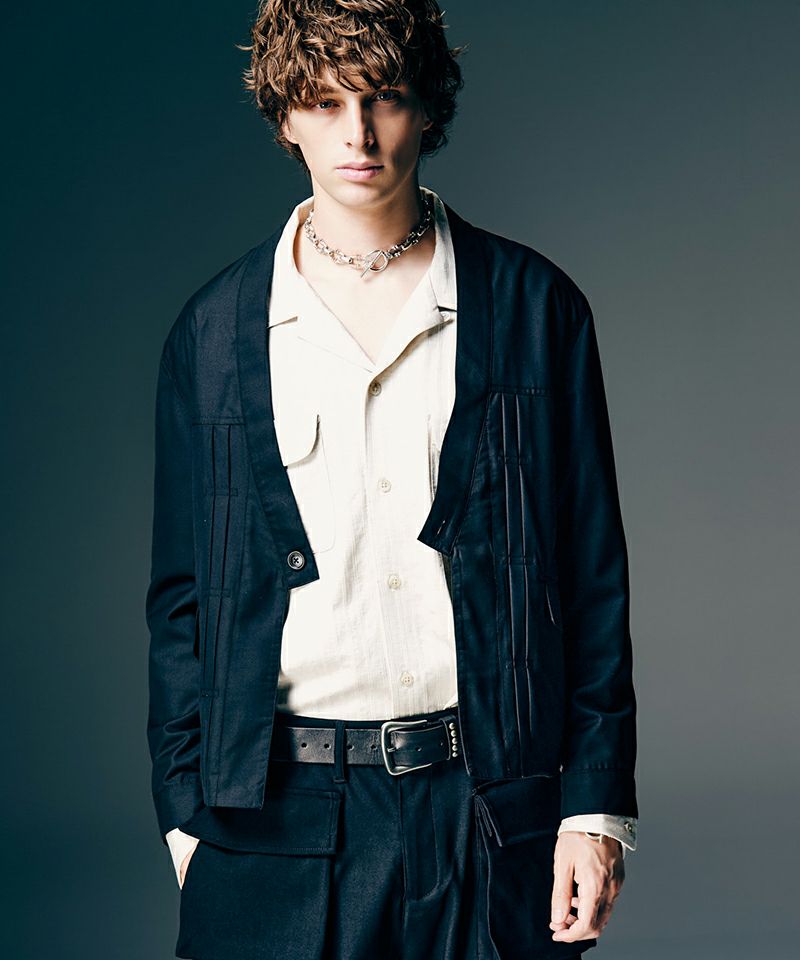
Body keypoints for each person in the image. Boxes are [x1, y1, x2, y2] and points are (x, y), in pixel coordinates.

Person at [145, 1, 639, 958]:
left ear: (429, 107)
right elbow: (181, 601)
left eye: (385, 98)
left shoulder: (536, 309)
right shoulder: (212, 335)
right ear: (285, 116)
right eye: (325, 103)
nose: (359, 135)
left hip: (489, 804)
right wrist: (183, 819)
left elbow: (591, 578)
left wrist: (594, 808)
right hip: (273, 814)